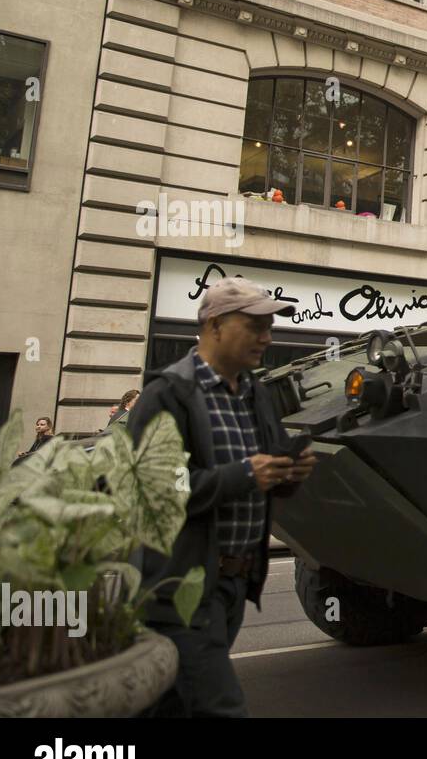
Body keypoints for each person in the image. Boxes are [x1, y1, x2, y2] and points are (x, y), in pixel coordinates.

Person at [129, 276, 316, 718]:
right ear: (213, 325)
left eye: (269, 326)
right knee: (220, 706)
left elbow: (265, 477)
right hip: (183, 587)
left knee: (170, 704)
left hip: (233, 585)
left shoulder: (257, 394)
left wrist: (290, 474)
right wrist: (242, 475)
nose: (267, 337)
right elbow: (155, 490)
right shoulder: (168, 395)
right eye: (254, 325)